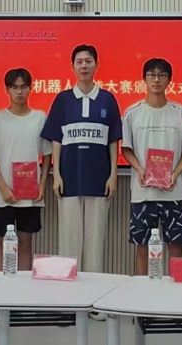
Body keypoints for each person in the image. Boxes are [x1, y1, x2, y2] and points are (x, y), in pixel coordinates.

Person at [41, 44, 121, 282]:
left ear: (96, 65)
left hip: (100, 179)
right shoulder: (63, 99)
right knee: (69, 240)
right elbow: (56, 139)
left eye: (88, 61)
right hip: (69, 179)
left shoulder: (107, 99)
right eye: (79, 62)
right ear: (72, 67)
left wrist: (113, 175)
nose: (84, 66)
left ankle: (94, 292)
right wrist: (56, 174)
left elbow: (113, 140)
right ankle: (69, 293)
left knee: (95, 242)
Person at [122, 58, 182, 276]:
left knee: (176, 247)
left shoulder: (181, 113)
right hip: (143, 193)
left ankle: (179, 290)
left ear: (169, 80)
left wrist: (176, 173)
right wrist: (140, 169)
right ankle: (143, 293)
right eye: (151, 75)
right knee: (142, 248)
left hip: (174, 192)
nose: (156, 80)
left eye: (162, 75)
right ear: (144, 79)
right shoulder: (132, 113)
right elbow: (126, 149)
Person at [0, 68, 51, 272]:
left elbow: (47, 154)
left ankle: (23, 287)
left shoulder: (39, 117)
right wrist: (3, 188)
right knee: (3, 244)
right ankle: (1, 285)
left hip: (30, 195)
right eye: (14, 87)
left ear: (31, 89)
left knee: (25, 242)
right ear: (7, 90)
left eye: (23, 87)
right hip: (2, 195)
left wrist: (42, 185)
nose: (19, 92)